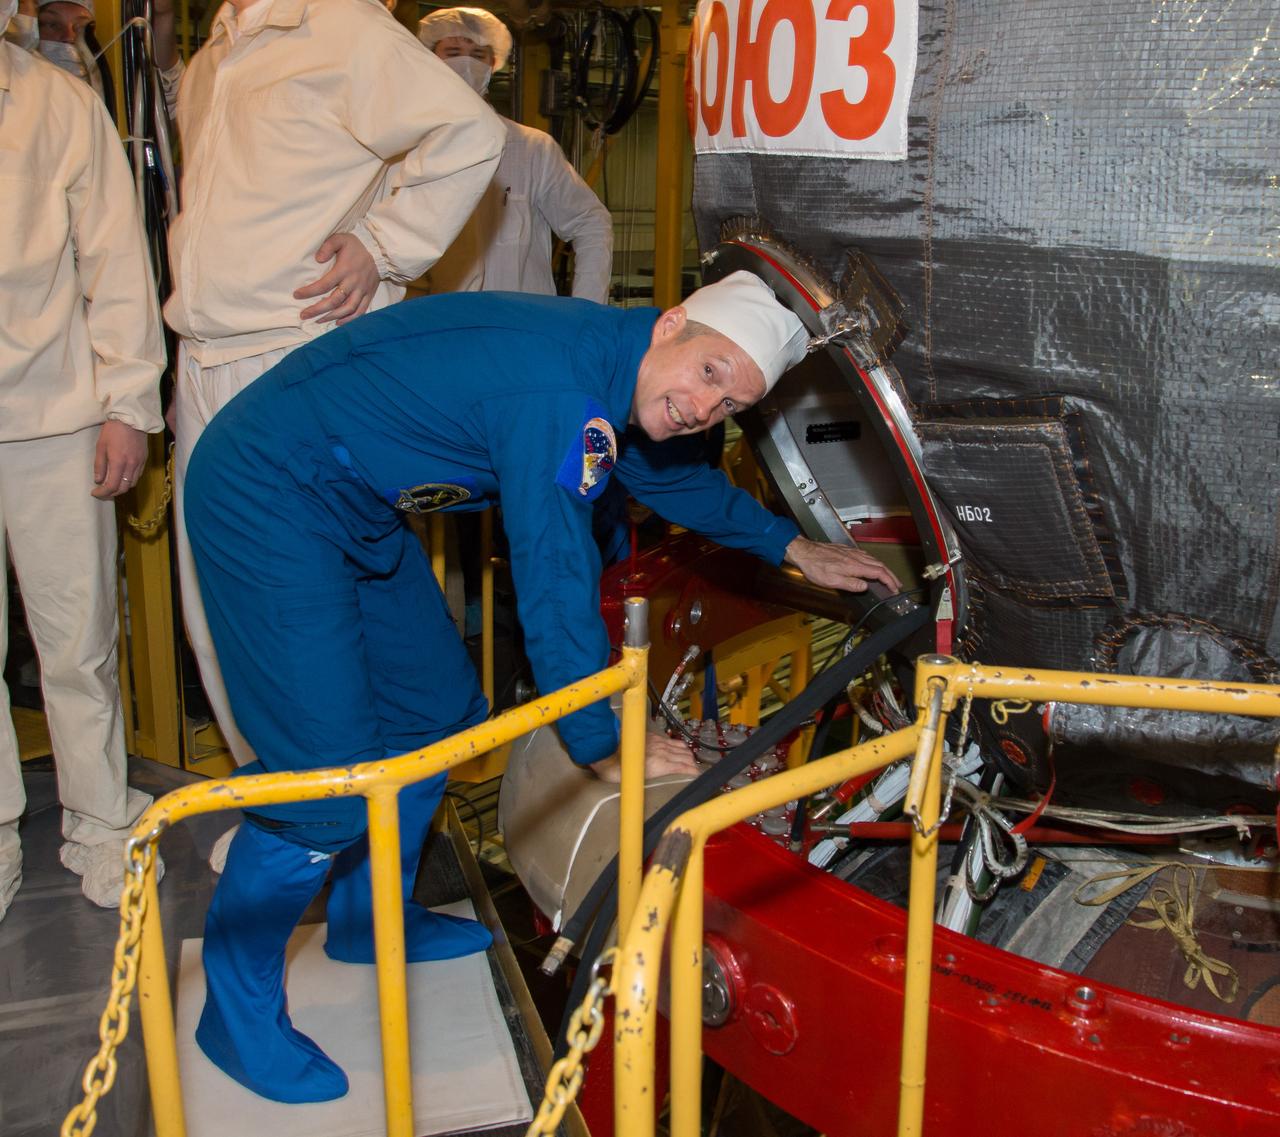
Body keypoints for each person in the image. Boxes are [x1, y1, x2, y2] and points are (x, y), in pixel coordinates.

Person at [182, 271, 900, 1102]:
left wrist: (790, 546)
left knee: (434, 712)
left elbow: (668, 477)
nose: (705, 409)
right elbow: (555, 583)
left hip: (350, 501)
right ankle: (233, 1015)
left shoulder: (620, 371)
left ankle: (368, 919)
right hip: (267, 490)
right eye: (709, 372)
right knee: (323, 790)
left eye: (729, 404)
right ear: (672, 324)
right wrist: (604, 743)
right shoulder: (561, 393)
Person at [160, 0, 505, 768]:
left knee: (304, 616)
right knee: (214, 613)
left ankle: (335, 807)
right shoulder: (215, 56)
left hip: (289, 354)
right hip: (204, 355)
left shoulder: (340, 25)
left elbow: (470, 132)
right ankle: (273, 797)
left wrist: (383, 245)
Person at [0, 26, 166, 920]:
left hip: (55, 416)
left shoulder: (59, 104)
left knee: (78, 640)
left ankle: (101, 820)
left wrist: (127, 403)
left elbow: (116, 259)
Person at [418, 6, 613, 303]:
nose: (466, 64)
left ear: (493, 63)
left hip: (520, 322)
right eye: (453, 52)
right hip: (435, 323)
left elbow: (590, 222)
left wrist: (586, 310)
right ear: (431, 60)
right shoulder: (407, 149)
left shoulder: (531, 149)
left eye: (478, 54)